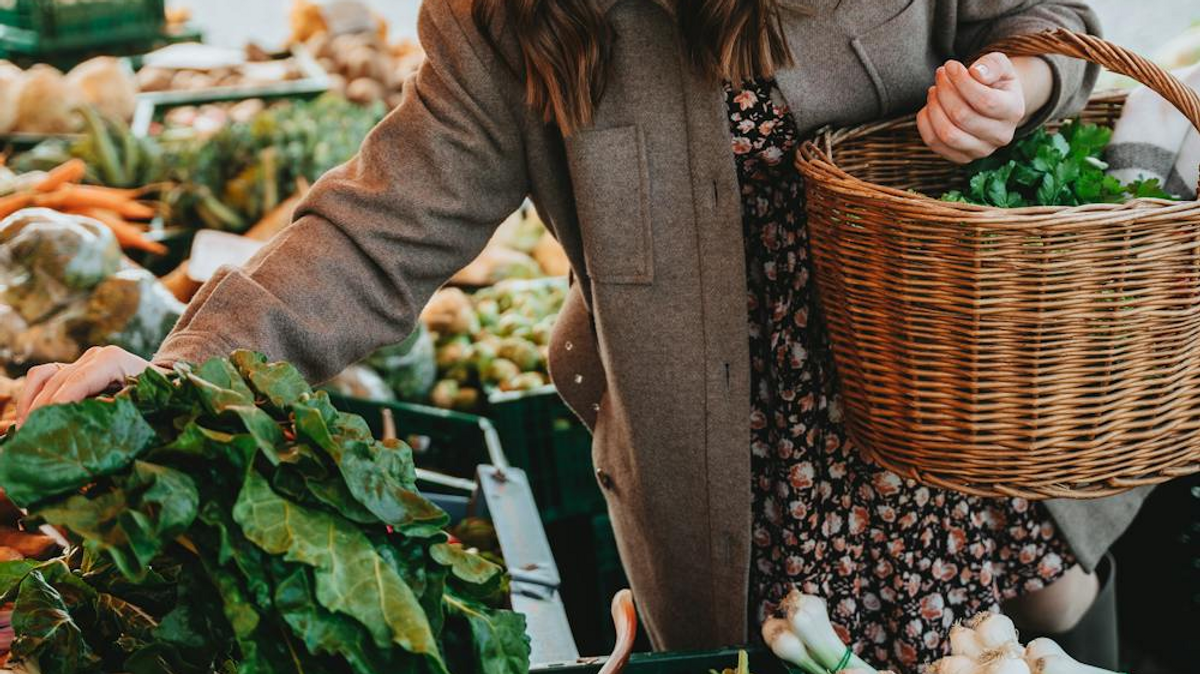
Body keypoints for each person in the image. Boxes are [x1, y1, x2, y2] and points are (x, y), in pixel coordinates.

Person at [16, 0, 1143, 669]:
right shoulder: (511, 19)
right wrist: (176, 380)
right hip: (729, 503)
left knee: (1029, 643)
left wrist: (1023, 82)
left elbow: (1052, 25)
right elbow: (375, 230)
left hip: (957, 442)